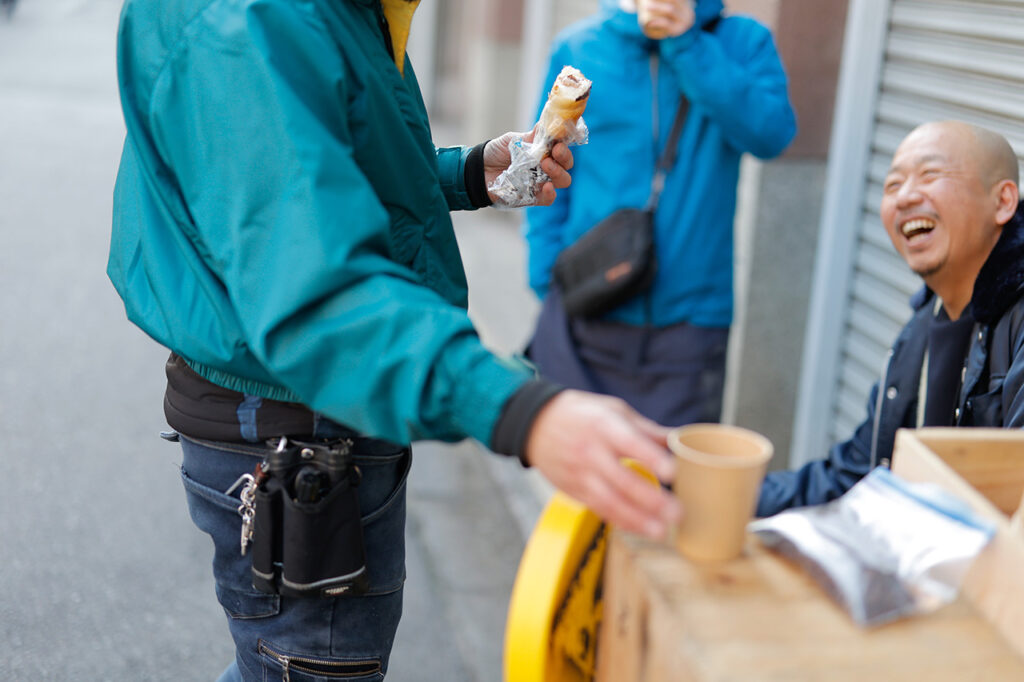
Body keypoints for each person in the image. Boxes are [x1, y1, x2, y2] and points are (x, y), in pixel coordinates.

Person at [107, 0, 681, 679]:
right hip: (297, 424)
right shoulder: (251, 19)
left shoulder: (334, 11)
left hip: (317, 404)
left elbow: (323, 170)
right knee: (309, 663)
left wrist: (466, 174)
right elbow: (314, 290)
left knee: (282, 664)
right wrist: (520, 410)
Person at [523, 0, 796, 426]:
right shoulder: (578, 48)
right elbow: (541, 161)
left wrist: (688, 45)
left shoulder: (741, 41)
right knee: (582, 486)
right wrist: (547, 279)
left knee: (668, 483)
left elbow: (772, 135)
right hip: (588, 306)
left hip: (689, 326)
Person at [758, 120, 1024, 516]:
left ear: (1003, 202)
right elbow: (854, 477)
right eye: (892, 185)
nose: (904, 197)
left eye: (930, 174)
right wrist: (721, 486)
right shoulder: (919, 330)